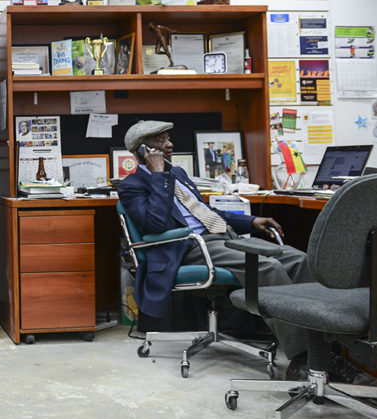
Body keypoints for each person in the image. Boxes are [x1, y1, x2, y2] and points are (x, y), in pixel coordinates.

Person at [117, 119, 346, 381]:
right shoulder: (132, 186)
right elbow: (156, 223)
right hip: (187, 246)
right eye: (160, 141)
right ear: (143, 150)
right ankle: (303, 357)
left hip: (221, 237)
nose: (170, 145)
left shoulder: (177, 174)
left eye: (168, 138)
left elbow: (207, 212)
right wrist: (157, 174)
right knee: (266, 268)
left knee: (300, 260)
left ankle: (329, 348)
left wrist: (250, 221)